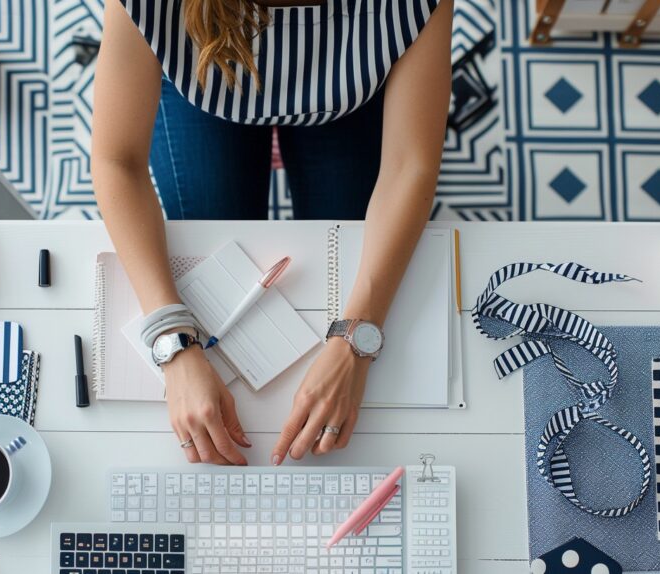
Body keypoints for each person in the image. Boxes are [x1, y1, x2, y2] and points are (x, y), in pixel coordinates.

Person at [92, 0, 454, 466]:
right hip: (203, 80)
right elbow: (116, 161)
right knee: (212, 257)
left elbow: (410, 165)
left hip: (349, 90)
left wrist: (356, 339)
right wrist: (172, 341)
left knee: (349, 263)